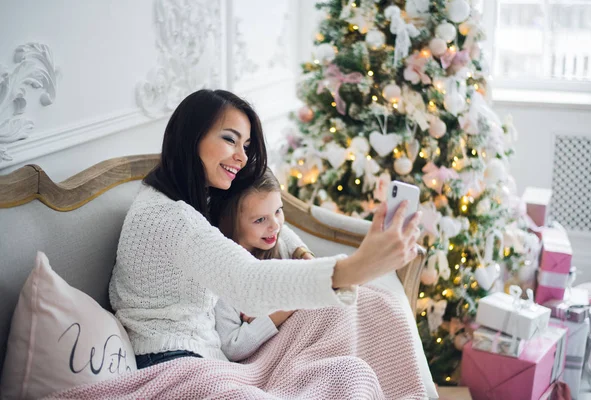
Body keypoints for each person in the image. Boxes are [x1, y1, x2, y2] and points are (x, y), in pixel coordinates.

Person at [108, 89, 421, 369]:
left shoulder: (196, 192)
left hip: (209, 357)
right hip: (171, 362)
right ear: (192, 138)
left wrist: (302, 252)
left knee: (369, 314)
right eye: (230, 139)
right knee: (345, 373)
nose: (242, 156)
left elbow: (269, 223)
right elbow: (249, 281)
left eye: (245, 144)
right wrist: (355, 267)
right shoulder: (171, 219)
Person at [213, 168, 299, 362]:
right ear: (232, 222)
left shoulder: (280, 245)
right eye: (260, 219)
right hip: (277, 358)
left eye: (278, 211)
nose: (275, 225)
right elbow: (231, 347)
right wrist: (285, 308)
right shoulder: (225, 276)